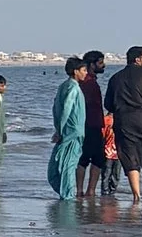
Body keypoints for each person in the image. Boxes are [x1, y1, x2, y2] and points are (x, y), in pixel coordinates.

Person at [107, 43, 142, 209]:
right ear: (138, 59)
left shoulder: (115, 78)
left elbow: (109, 104)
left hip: (124, 122)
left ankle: (136, 196)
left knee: (130, 157)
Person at [76, 51, 116, 199]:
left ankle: (82, 190)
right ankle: (89, 190)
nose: (103, 65)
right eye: (100, 62)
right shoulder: (88, 82)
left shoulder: (86, 81)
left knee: (85, 158)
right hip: (91, 124)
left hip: (90, 124)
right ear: (92, 64)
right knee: (96, 158)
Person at [48, 56, 86, 199]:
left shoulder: (63, 86)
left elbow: (55, 108)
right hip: (72, 132)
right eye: (83, 70)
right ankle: (68, 196)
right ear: (76, 71)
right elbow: (66, 109)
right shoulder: (73, 88)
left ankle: (65, 194)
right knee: (68, 165)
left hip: (67, 131)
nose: (85, 73)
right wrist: (60, 130)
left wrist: (58, 127)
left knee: (61, 164)